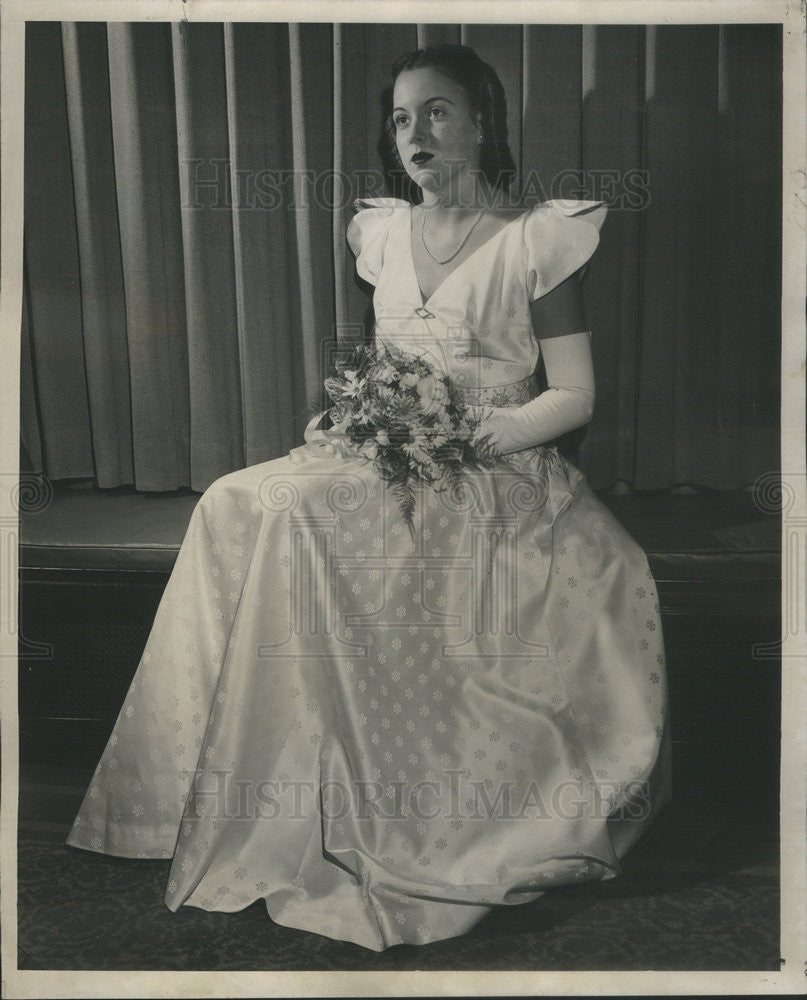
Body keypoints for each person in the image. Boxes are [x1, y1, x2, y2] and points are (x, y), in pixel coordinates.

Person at [67, 43, 671, 951]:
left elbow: (573, 396)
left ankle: (353, 796)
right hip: (387, 452)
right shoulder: (379, 231)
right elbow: (382, 366)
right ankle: (194, 793)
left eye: (434, 111)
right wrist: (364, 418)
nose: (414, 134)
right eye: (399, 119)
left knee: (297, 519)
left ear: (480, 121)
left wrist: (462, 439)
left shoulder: (536, 237)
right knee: (238, 500)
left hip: (493, 467)